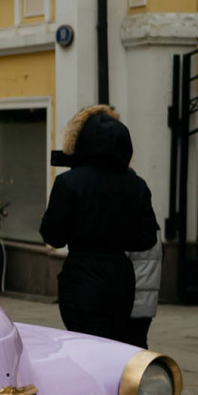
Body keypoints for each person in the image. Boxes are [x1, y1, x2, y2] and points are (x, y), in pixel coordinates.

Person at [39, 105, 159, 342]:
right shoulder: (136, 184)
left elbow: (53, 235)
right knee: (117, 347)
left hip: (82, 275)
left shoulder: (69, 182)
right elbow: (147, 237)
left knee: (88, 346)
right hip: (121, 277)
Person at [127, 235, 162, 348]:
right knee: (139, 343)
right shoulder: (153, 229)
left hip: (131, 299)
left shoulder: (128, 225)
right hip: (147, 300)